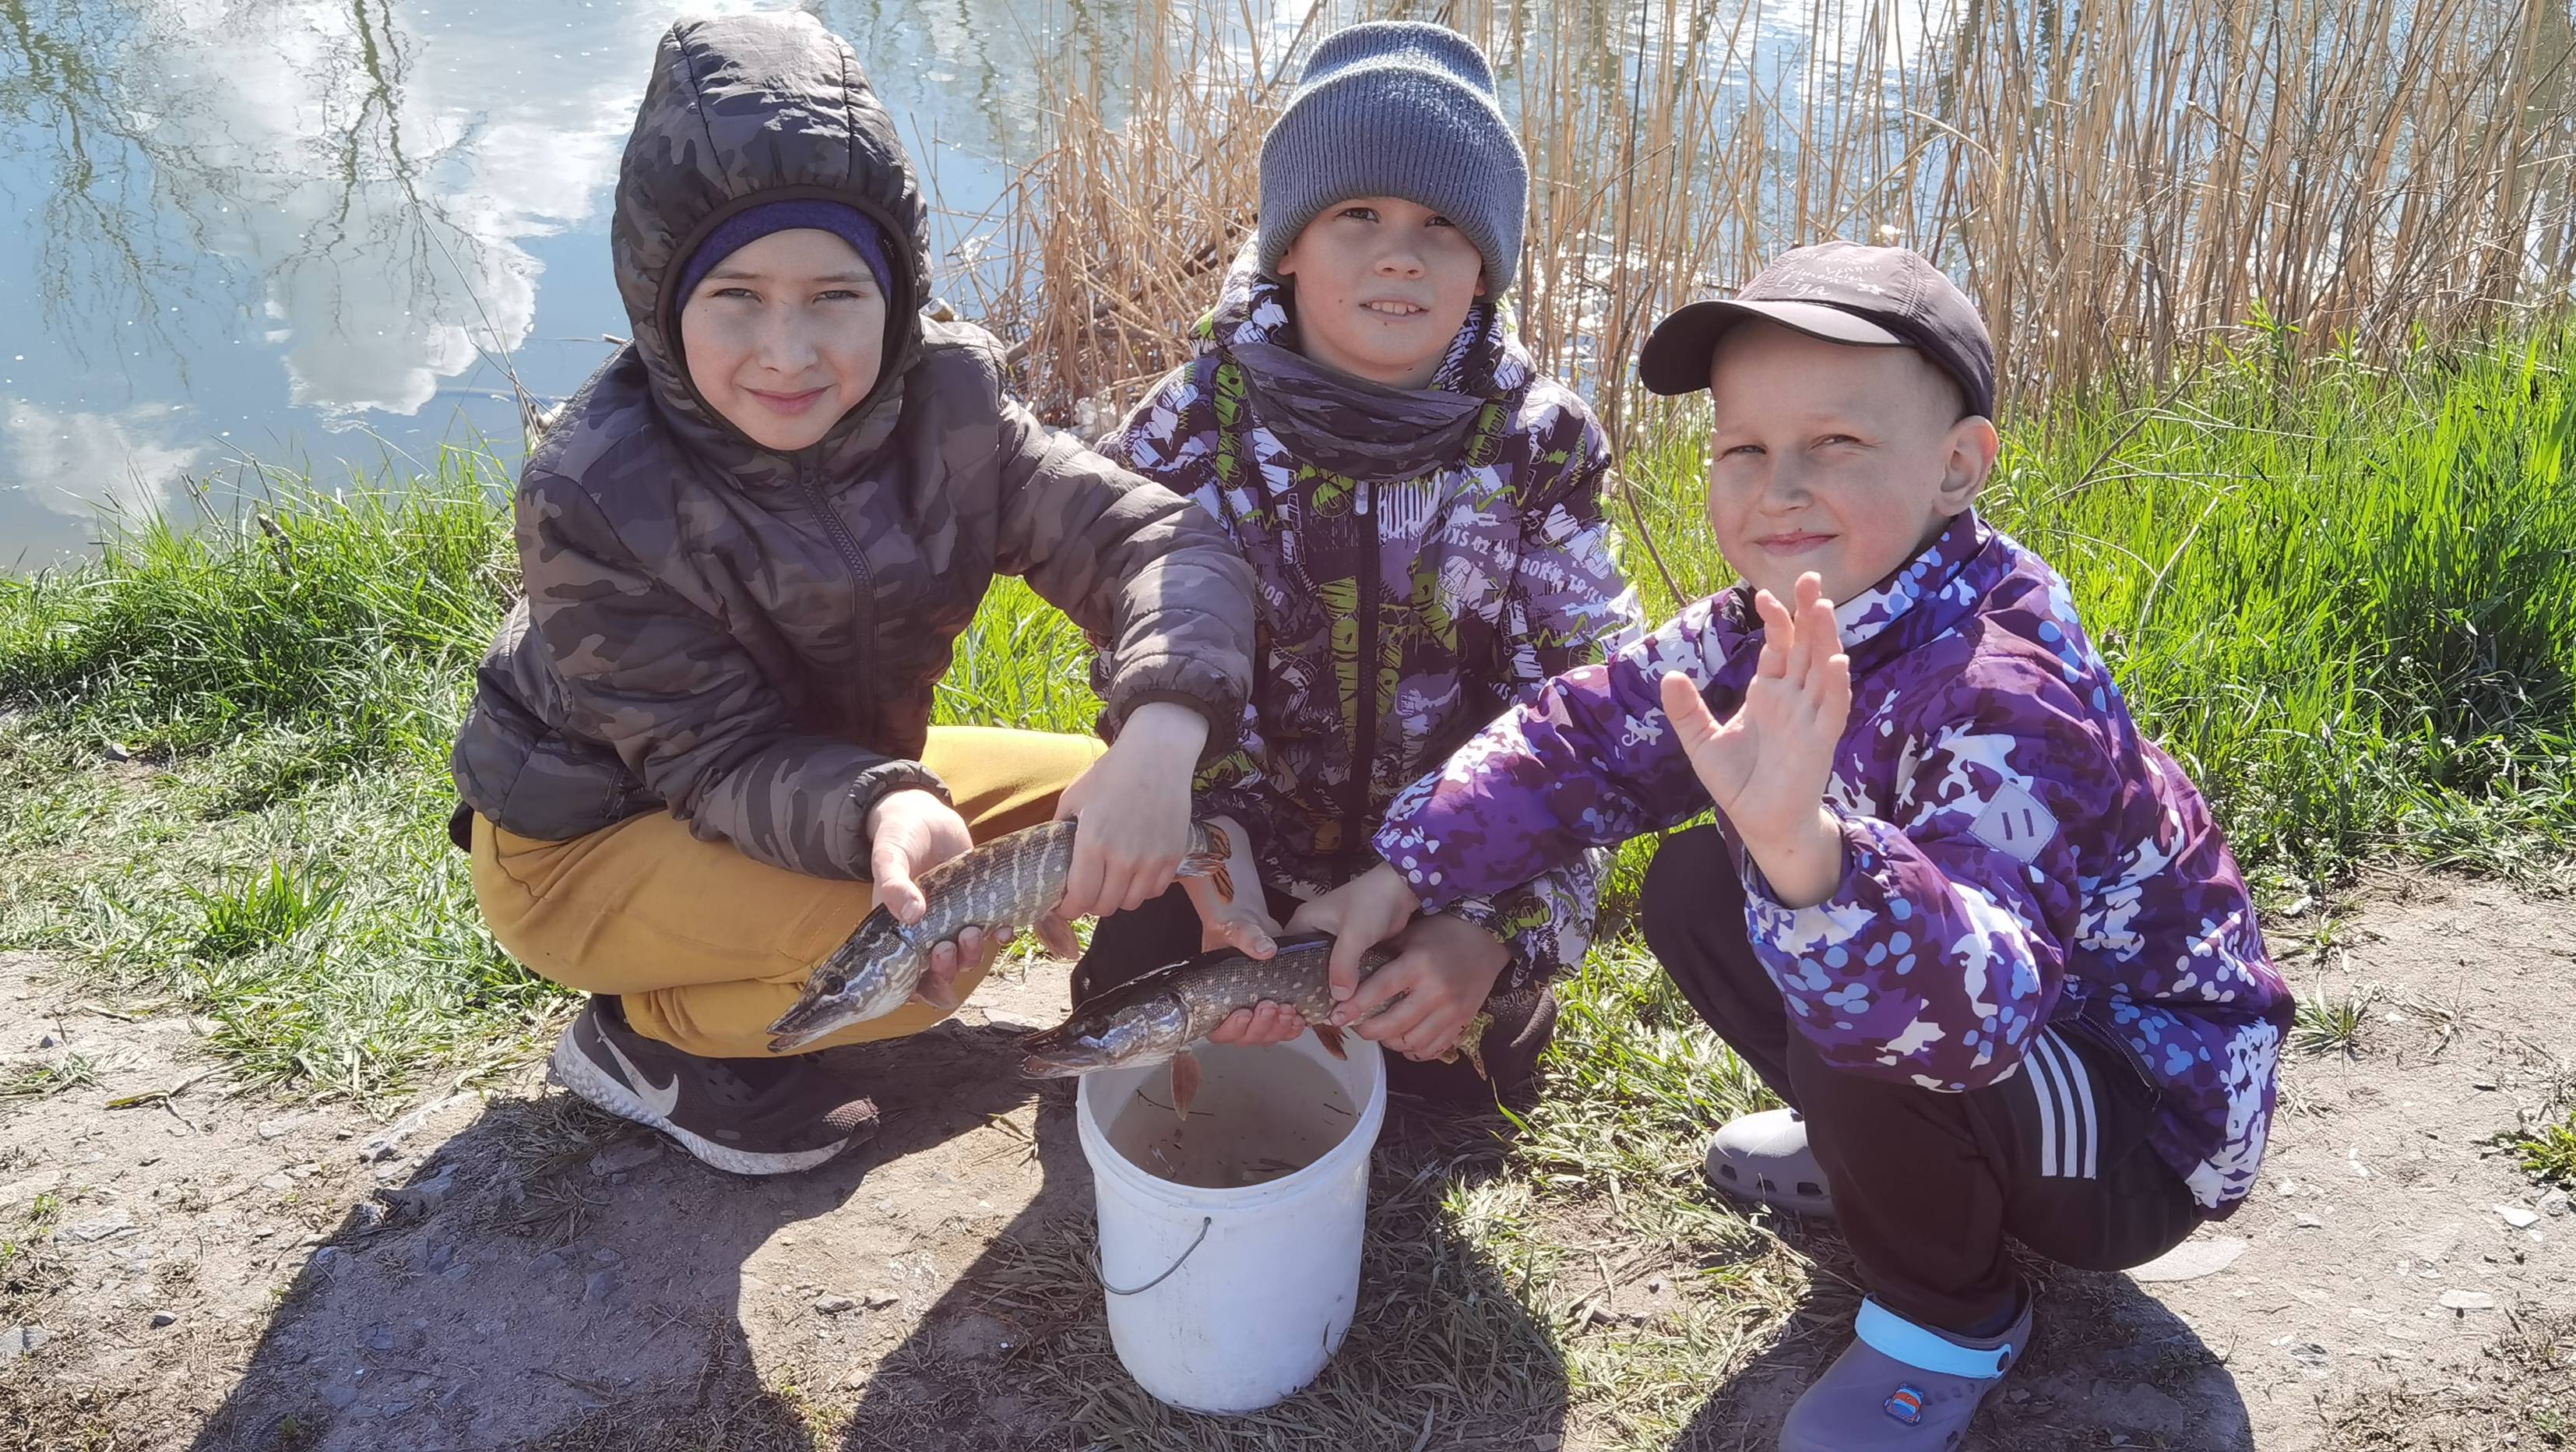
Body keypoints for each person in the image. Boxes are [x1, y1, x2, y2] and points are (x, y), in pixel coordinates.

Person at [1299, 242, 2289, 1446]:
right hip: (1990, 1049)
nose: (1779, 489)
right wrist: (1405, 869)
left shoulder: (2001, 693)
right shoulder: (1767, 624)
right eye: (1745, 450)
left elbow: (1976, 1011)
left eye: (1837, 445)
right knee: (1701, 883)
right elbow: (1585, 738)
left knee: (1832, 938)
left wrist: (1812, 859)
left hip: (2130, 1119)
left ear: (1958, 468)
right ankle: (1893, 1171)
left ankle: (1949, 1317)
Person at [446, 12, 1254, 1178]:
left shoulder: (954, 405)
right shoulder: (594, 491)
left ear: (897, 293)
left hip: (828, 785)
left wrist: (1164, 732)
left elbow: (1159, 542)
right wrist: (884, 808)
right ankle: (646, 1038)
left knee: (1131, 805)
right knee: (914, 970)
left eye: (835, 294)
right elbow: (715, 758)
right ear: (662, 299)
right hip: (590, 842)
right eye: (736, 296)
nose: (788, 349)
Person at [1069, 21, 1641, 1108]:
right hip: (1234, 857)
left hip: (1451, 873)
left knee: (1469, 1083)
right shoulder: (1186, 431)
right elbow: (1140, 663)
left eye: (1443, 226)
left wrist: (1482, 924)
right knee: (1126, 1019)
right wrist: (1212, 854)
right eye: (1357, 215)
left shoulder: (1543, 445)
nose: (1400, 253)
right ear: (1286, 244)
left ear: (1487, 266)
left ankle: (1469, 976)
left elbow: (1589, 713)